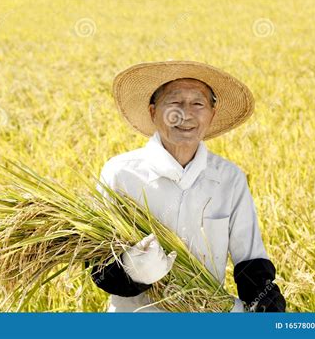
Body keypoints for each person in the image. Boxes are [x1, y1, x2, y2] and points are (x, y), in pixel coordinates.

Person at [90, 61, 286, 313]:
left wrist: (264, 298)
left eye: (198, 104)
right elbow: (97, 264)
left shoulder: (229, 178)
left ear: (212, 114)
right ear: (152, 112)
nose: (186, 114)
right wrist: (133, 271)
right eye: (174, 103)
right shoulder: (121, 173)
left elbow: (249, 260)